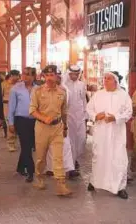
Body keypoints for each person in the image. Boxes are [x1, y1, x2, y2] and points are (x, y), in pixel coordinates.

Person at [86, 72, 133, 199]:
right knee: (99, 156)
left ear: (115, 81)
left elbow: (129, 112)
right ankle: (95, 182)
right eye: (104, 78)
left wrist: (115, 118)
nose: (105, 81)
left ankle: (119, 187)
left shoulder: (123, 95)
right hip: (101, 132)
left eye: (109, 79)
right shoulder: (98, 94)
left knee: (118, 158)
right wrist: (96, 116)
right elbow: (89, 108)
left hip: (117, 132)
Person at [29, 65, 72, 196]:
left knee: (58, 157)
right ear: (43, 76)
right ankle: (39, 178)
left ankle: (61, 184)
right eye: (46, 75)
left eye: (51, 75)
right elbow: (32, 110)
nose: (49, 78)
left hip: (57, 127)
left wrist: (65, 126)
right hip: (42, 128)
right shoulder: (37, 91)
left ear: (56, 76)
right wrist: (43, 117)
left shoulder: (62, 92)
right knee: (41, 157)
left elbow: (64, 111)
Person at [45, 70, 75, 178]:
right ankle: (50, 168)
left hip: (60, 122)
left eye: (56, 77)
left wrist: (65, 126)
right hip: (46, 122)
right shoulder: (43, 90)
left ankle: (65, 169)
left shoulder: (64, 90)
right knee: (50, 147)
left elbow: (65, 109)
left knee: (64, 146)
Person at [8, 67, 36, 182]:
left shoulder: (38, 89)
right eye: (24, 74)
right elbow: (11, 107)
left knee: (29, 145)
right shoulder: (16, 89)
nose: (25, 76)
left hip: (35, 120)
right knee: (25, 146)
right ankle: (31, 171)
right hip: (21, 120)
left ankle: (20, 167)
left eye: (28, 74)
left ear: (34, 76)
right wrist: (11, 123)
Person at [63, 65, 87, 177]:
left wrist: (86, 115)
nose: (75, 76)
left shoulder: (82, 85)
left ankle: (75, 159)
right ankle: (70, 166)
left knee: (81, 140)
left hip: (80, 117)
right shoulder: (64, 85)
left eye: (77, 74)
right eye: (73, 74)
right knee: (70, 142)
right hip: (68, 117)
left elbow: (83, 100)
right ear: (69, 73)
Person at [2, 70, 20, 152]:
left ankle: (17, 141)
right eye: (16, 76)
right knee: (10, 123)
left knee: (17, 124)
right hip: (7, 105)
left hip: (18, 106)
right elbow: (0, 96)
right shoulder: (3, 84)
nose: (18, 78)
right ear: (11, 75)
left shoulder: (19, 85)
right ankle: (11, 143)